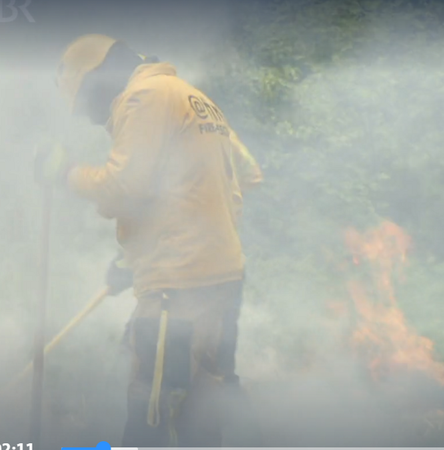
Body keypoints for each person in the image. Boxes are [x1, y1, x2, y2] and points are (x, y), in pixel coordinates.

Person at [35, 33, 250, 447]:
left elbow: (124, 188)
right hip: (220, 284)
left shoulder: (144, 96)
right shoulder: (190, 96)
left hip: (177, 291)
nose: (88, 116)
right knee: (203, 415)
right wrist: (136, 261)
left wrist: (64, 173)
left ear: (97, 80)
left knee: (153, 418)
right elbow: (218, 191)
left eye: (84, 103)